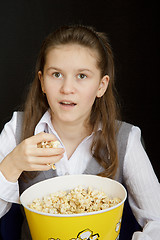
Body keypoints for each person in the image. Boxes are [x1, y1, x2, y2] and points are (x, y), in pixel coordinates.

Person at [0, 25, 159, 240]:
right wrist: (12, 164)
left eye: (82, 76)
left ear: (101, 86)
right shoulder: (17, 129)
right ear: (42, 82)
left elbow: (157, 220)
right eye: (56, 74)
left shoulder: (126, 139)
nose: (67, 88)